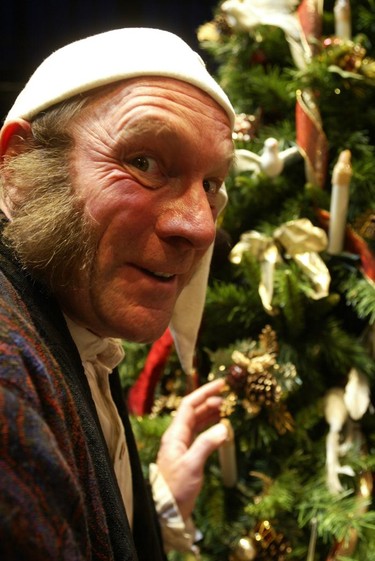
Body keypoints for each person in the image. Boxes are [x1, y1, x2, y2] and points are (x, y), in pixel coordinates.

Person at [0, 27, 235, 561]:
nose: (200, 227)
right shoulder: (9, 376)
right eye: (144, 162)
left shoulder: (73, 318)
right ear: (18, 166)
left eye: (212, 184)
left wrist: (163, 505)